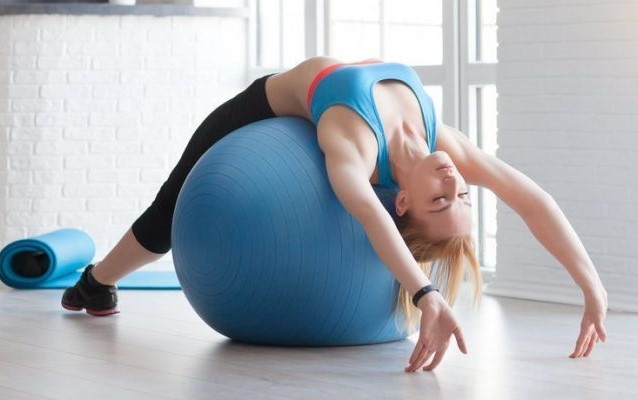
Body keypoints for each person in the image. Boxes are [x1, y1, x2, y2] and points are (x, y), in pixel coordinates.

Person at [60, 56, 609, 372]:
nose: (453, 184)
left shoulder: (355, 148)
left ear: (403, 201)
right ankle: (100, 282)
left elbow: (367, 214)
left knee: (170, 212)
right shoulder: (447, 147)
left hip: (263, 104)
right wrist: (593, 289)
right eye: (463, 197)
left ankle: (94, 283)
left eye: (440, 201)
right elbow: (534, 200)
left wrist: (425, 294)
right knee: (169, 209)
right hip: (272, 108)